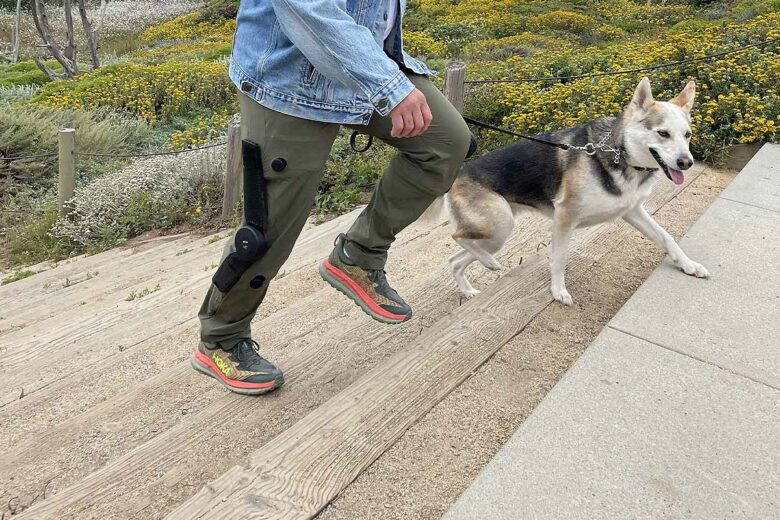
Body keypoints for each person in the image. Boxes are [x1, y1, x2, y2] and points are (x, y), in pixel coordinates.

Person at [191, 0, 473, 395]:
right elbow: (308, 8)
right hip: (288, 78)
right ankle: (221, 335)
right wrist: (389, 86)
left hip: (358, 61)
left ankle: (359, 255)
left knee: (445, 143)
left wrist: (384, 67)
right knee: (269, 228)